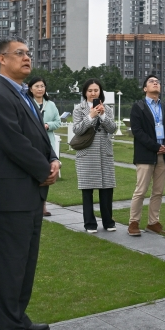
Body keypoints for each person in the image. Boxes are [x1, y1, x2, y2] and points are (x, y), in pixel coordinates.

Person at [0, 39, 59, 330]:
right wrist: (44, 170)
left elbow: (37, 135)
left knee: (24, 264)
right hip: (8, 196)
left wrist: (52, 159)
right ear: (2, 59)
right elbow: (14, 143)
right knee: (9, 266)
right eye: (20, 54)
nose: (28, 58)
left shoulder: (22, 94)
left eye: (29, 54)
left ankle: (18, 318)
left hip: (27, 193)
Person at [127, 74, 165, 236]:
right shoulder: (138, 107)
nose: (155, 83)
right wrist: (155, 147)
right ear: (145, 88)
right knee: (141, 190)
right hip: (146, 154)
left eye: (157, 82)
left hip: (164, 153)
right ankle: (133, 222)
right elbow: (137, 131)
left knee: (158, 191)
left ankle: (153, 222)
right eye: (151, 82)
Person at [72, 78, 118, 233]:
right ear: (85, 92)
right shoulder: (79, 109)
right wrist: (90, 116)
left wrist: (103, 116)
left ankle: (108, 222)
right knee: (87, 190)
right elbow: (77, 130)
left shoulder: (107, 109)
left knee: (106, 189)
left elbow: (112, 129)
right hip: (87, 154)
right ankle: (90, 224)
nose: (93, 93)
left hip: (104, 153)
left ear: (100, 92)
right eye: (90, 90)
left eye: (96, 90)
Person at [27, 77, 62, 154]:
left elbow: (58, 122)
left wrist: (47, 125)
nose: (40, 89)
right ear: (30, 89)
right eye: (37, 86)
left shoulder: (51, 105)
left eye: (42, 86)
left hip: (49, 143)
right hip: (31, 144)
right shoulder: (27, 104)